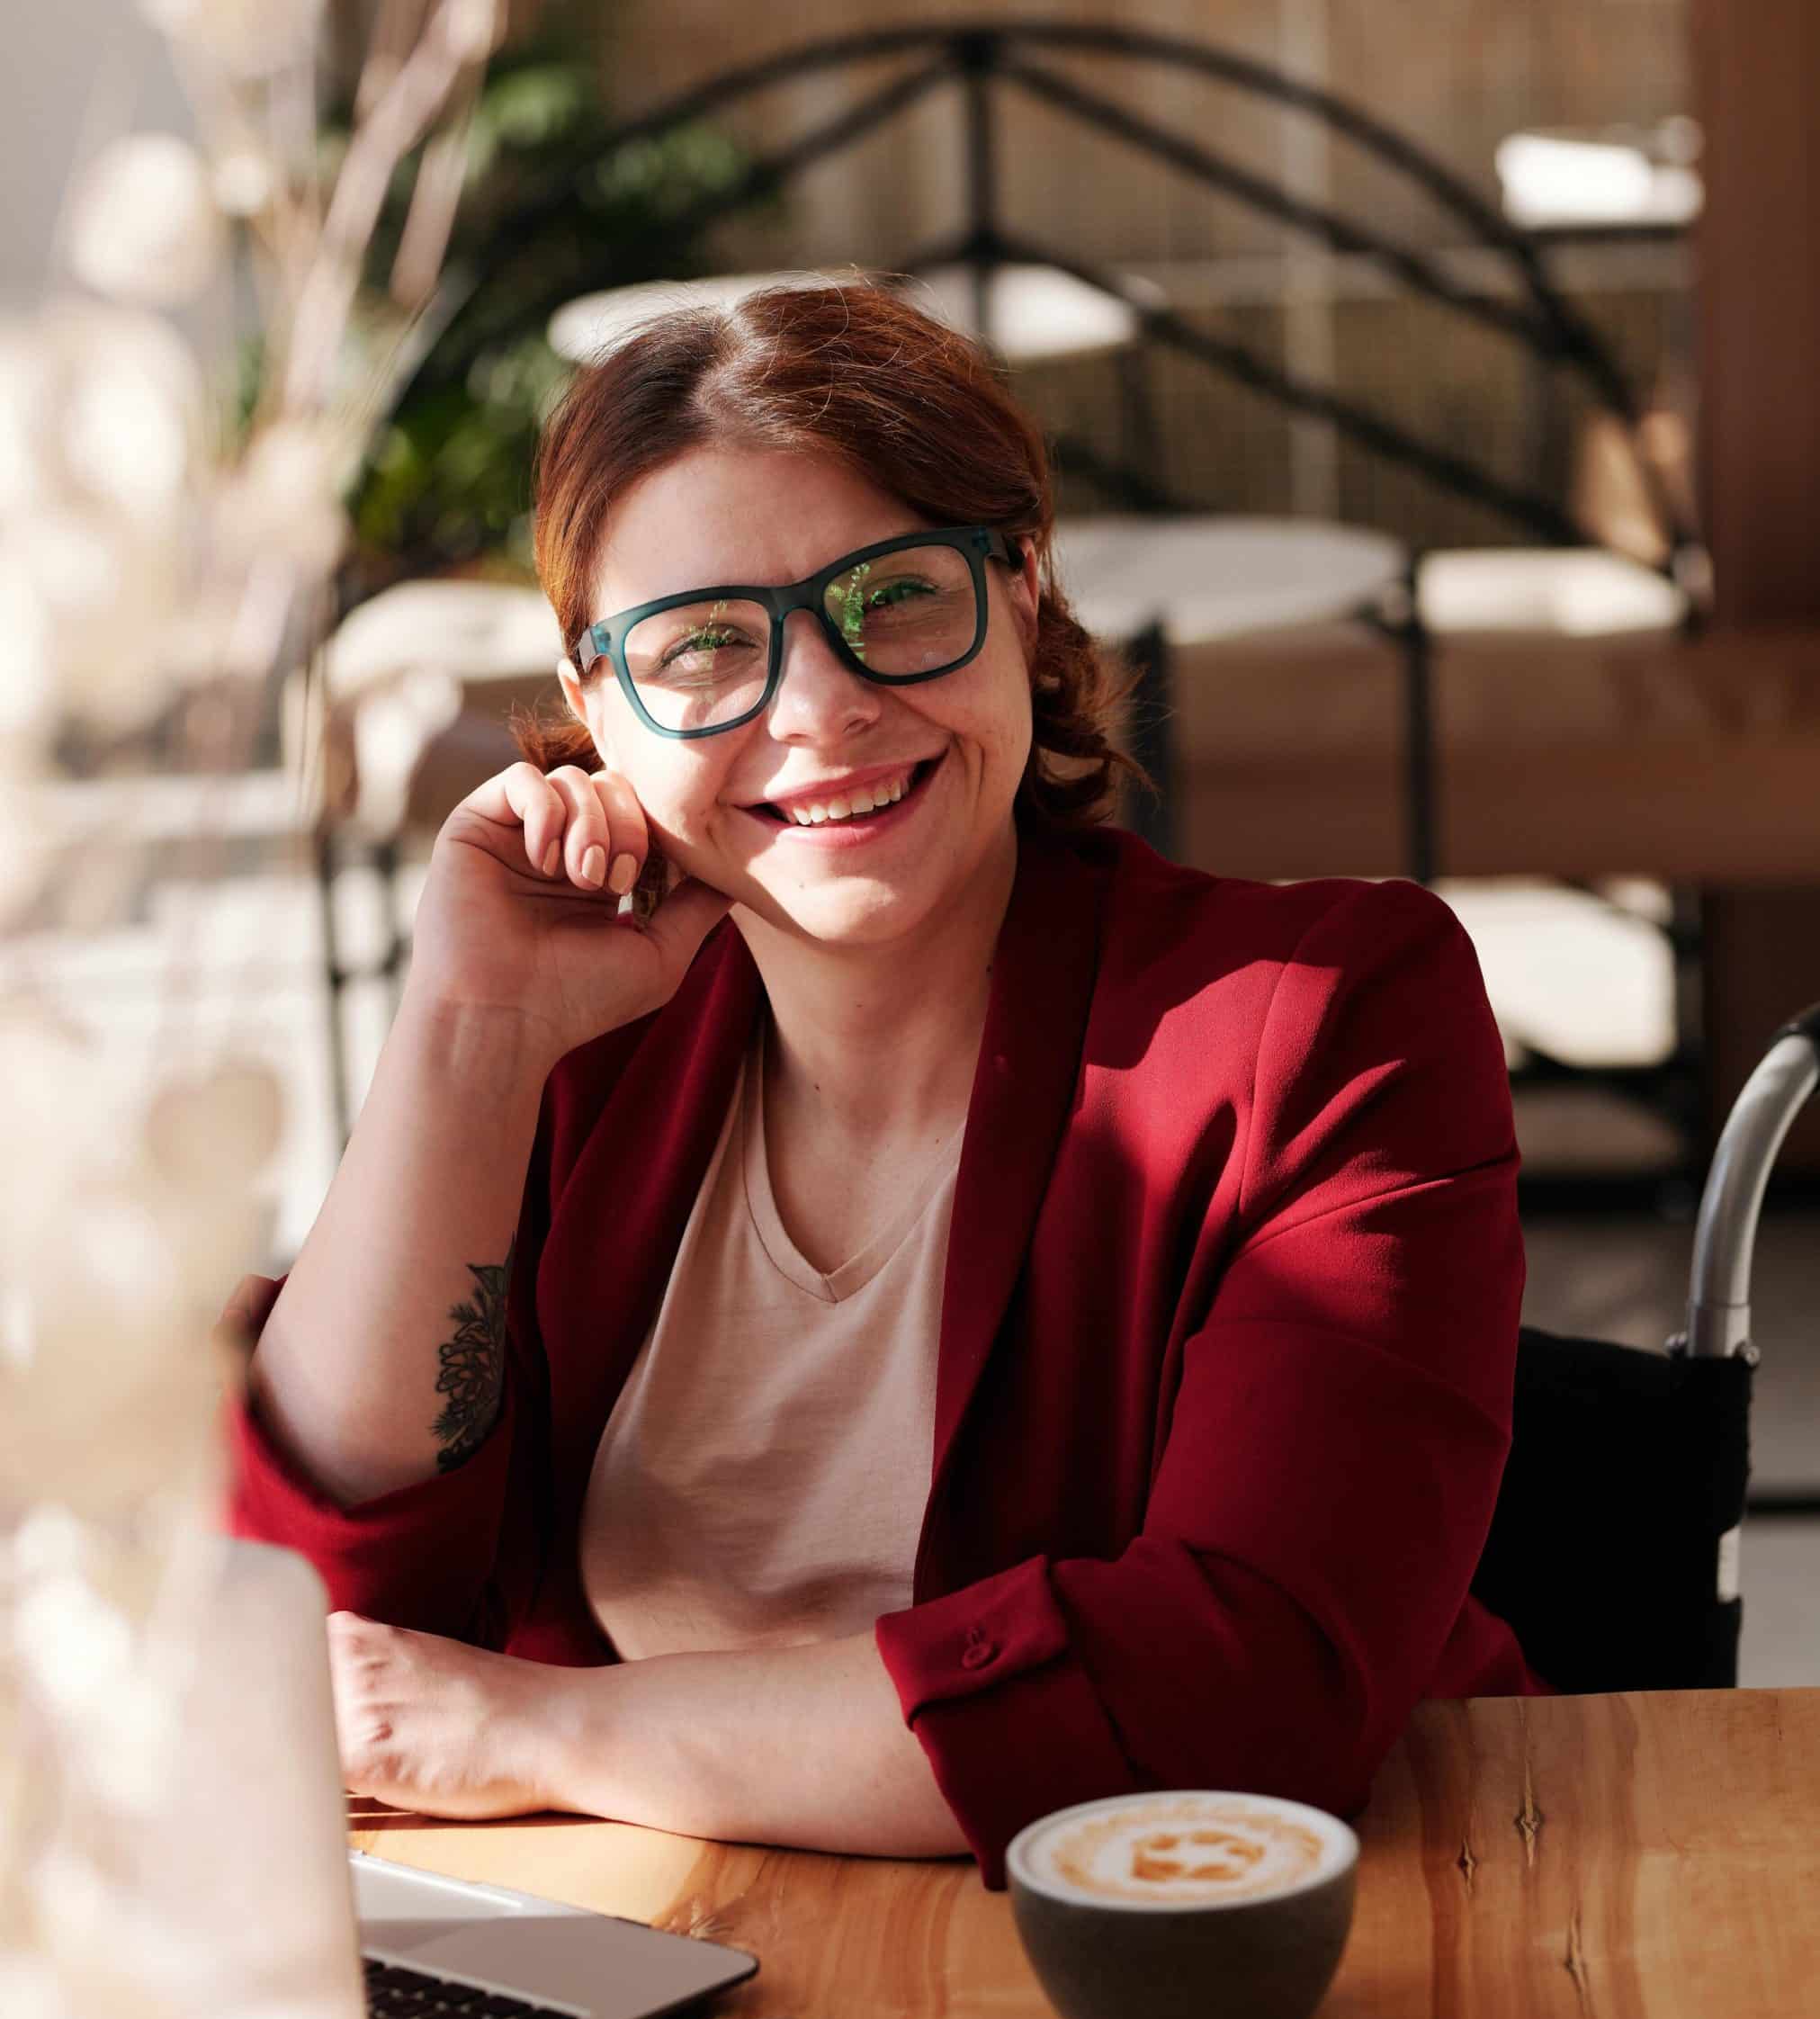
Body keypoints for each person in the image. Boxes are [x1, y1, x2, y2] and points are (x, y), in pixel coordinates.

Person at [225, 283, 1544, 1889]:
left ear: (1024, 594)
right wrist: (464, 1040)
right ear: (595, 712)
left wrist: (529, 1733)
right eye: (701, 645)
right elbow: (308, 1626)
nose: (818, 705)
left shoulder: (1332, 1013)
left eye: (895, 597)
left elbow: (1247, 1692)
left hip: (1222, 1960)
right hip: (655, 1965)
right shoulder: (574, 1049)